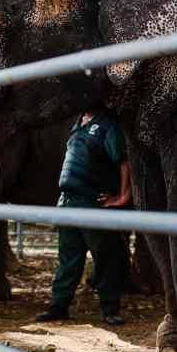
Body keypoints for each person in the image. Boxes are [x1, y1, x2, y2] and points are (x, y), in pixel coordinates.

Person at [35, 105, 131, 326]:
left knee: (105, 258)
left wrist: (123, 196)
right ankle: (59, 307)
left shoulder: (107, 126)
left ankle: (110, 309)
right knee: (68, 259)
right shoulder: (77, 124)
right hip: (68, 203)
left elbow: (123, 160)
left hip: (91, 204)